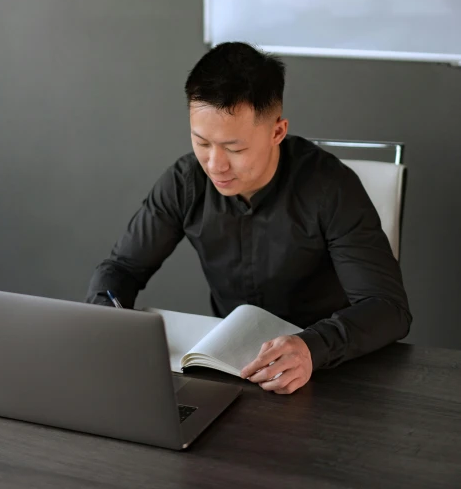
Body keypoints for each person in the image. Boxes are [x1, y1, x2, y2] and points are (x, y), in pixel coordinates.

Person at [86, 42, 411, 394]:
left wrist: (310, 347)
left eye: (234, 148)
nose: (214, 165)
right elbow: (122, 269)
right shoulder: (185, 181)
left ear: (277, 132)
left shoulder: (331, 188)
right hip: (232, 369)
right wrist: (106, 319)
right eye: (202, 143)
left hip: (325, 372)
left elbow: (387, 308)